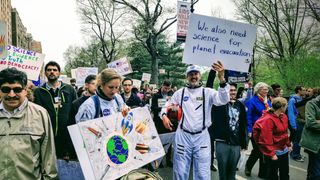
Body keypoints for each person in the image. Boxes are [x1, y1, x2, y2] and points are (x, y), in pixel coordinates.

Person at [161, 61, 230, 180]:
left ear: (200, 76)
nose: (193, 76)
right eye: (190, 74)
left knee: (203, 173)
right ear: (187, 77)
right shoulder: (180, 93)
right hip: (183, 135)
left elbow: (223, 100)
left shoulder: (207, 92)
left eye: (196, 73)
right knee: (180, 171)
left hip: (202, 137)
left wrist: (222, 80)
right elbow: (166, 106)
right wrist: (164, 116)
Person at [0, 68, 57, 179]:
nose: (11, 95)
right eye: (6, 89)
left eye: (17, 90)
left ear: (25, 90)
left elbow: (48, 157)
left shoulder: (40, 114)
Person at [34, 61, 78, 161]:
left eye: (55, 70)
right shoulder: (38, 92)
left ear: (59, 73)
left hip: (66, 137)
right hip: (46, 136)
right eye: (49, 70)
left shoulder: (69, 89)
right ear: (45, 73)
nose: (52, 72)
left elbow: (75, 111)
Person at [212, 82, 248, 180]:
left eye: (234, 90)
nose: (232, 92)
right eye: (229, 90)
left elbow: (243, 124)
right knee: (223, 174)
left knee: (232, 174)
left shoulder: (240, 105)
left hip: (236, 143)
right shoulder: (219, 104)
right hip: (222, 142)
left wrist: (244, 144)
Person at [253, 97, 292, 180]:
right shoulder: (268, 119)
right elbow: (266, 138)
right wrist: (271, 154)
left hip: (283, 148)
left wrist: (288, 144)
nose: (287, 108)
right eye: (286, 106)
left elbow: (285, 133)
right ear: (282, 107)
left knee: (285, 173)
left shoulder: (283, 116)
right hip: (273, 151)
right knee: (272, 175)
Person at [245, 82, 272, 178]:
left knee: (264, 151)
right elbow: (248, 116)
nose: (266, 91)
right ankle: (248, 167)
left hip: (266, 130)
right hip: (255, 130)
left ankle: (262, 173)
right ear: (258, 90)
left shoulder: (267, 100)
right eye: (264, 89)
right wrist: (249, 130)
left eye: (267, 89)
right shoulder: (252, 101)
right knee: (257, 150)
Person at [68, 74, 97, 160]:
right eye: (93, 83)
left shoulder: (102, 101)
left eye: (97, 84)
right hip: (81, 143)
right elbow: (71, 125)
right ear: (86, 85)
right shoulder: (76, 103)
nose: (96, 86)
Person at [300, 94, 320, 180]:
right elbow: (310, 123)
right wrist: (316, 121)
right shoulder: (311, 104)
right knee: (316, 173)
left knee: (313, 169)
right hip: (314, 143)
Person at [288, 85, 306, 162]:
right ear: (299, 90)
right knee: (297, 139)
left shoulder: (301, 99)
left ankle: (295, 153)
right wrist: (293, 125)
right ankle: (295, 155)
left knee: (299, 139)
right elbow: (290, 113)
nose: (305, 91)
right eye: (303, 90)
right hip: (296, 122)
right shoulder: (292, 100)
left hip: (301, 121)